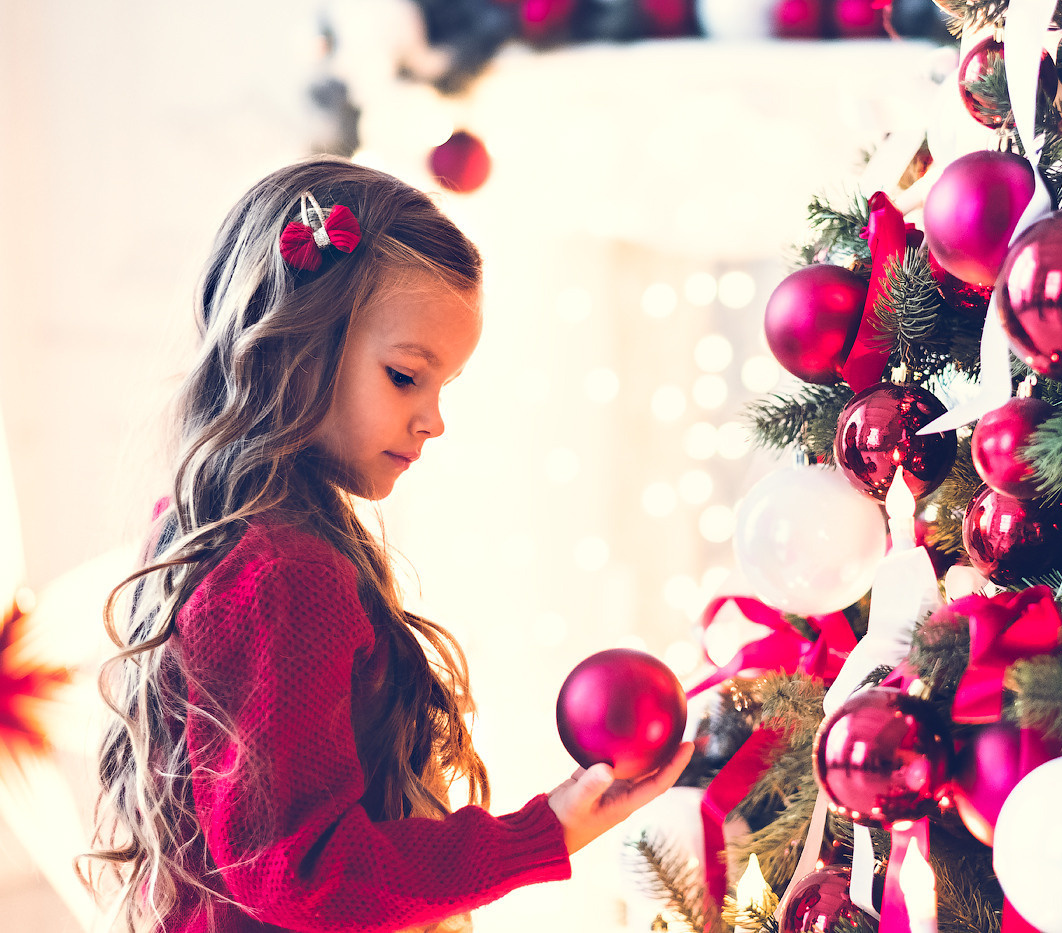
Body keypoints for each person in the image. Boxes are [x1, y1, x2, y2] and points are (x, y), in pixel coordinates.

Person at [83, 157, 693, 933]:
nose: (434, 419)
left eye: (446, 386)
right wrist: (545, 833)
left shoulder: (221, 523)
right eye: (407, 376)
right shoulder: (281, 569)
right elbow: (305, 875)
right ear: (294, 344)